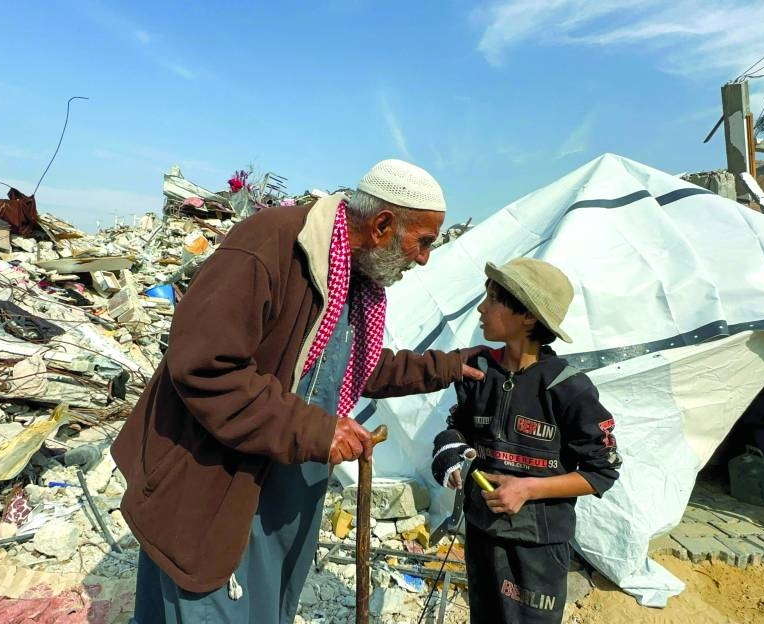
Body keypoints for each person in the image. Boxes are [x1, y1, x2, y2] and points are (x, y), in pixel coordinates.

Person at [111, 159, 484, 623]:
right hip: (216, 478)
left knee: (262, 604)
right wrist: (314, 428)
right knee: (210, 600)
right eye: (423, 242)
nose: (425, 257)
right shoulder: (273, 245)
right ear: (384, 224)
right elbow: (205, 365)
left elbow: (348, 367)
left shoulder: (354, 273)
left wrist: (449, 366)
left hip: (277, 486)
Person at [431, 257, 622, 624]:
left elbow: (602, 472)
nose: (481, 309)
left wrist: (527, 489)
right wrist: (450, 448)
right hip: (482, 531)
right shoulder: (479, 372)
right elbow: (459, 429)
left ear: (528, 317)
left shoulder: (567, 388)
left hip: (537, 546)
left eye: (493, 300)